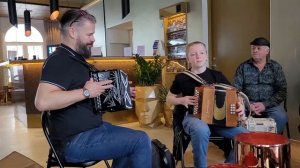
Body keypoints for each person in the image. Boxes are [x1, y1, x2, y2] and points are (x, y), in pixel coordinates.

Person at [35, 9, 151, 168]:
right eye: (89, 34)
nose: (93, 39)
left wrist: (119, 94)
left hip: (94, 129)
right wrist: (86, 92)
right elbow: (42, 102)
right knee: (140, 141)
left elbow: (92, 97)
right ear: (73, 32)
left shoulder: (77, 60)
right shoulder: (59, 60)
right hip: (73, 141)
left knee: (134, 141)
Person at [166, 41, 248, 168]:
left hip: (218, 121)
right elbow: (169, 99)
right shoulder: (181, 78)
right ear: (188, 59)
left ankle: (228, 165)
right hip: (193, 118)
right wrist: (182, 100)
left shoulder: (217, 75)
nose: (198, 56)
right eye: (193, 54)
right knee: (201, 129)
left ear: (206, 56)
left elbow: (235, 95)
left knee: (246, 137)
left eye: (201, 53)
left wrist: (240, 106)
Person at [233, 37, 288, 134]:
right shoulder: (243, 67)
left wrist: (265, 105)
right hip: (247, 104)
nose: (254, 50)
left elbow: (282, 91)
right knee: (234, 115)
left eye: (258, 48)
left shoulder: (275, 67)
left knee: (281, 117)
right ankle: (247, 144)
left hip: (271, 104)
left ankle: (270, 144)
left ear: (267, 51)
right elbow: (235, 90)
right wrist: (247, 104)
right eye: (253, 48)